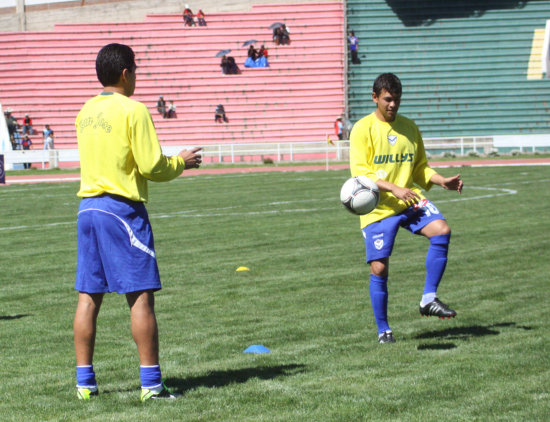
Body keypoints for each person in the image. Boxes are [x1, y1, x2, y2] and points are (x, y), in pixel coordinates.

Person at [73, 43, 202, 402]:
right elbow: (149, 166)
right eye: (136, 71)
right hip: (121, 210)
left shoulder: (85, 111)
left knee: (88, 297)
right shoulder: (133, 109)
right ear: (126, 73)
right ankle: (151, 385)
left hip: (88, 209)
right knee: (141, 296)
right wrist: (180, 162)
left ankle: (85, 383)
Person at [349, 73, 463, 344]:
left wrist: (441, 180)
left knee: (442, 230)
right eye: (388, 99)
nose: (393, 105)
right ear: (375, 97)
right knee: (379, 268)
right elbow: (361, 174)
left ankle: (428, 299)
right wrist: (393, 188)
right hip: (377, 207)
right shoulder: (362, 129)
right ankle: (383, 330)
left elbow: (420, 168)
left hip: (409, 200)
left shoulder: (409, 128)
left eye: (397, 100)